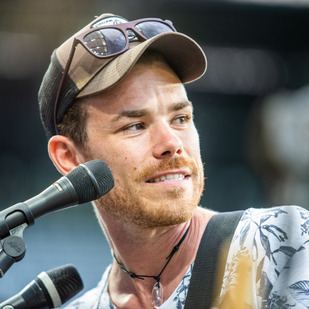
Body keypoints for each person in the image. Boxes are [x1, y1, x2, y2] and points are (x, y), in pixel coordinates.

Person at [38, 13, 309, 309]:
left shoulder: (286, 244)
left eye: (180, 118)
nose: (172, 143)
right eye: (135, 126)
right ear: (70, 158)